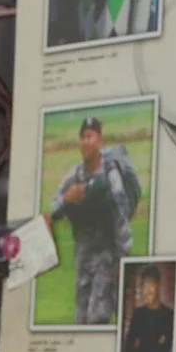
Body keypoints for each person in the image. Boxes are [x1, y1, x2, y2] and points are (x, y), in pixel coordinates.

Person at [49, 116, 143, 325]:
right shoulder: (74, 175)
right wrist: (68, 198)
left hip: (107, 254)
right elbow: (54, 208)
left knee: (97, 317)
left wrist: (122, 260)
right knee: (81, 318)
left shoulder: (110, 176)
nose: (85, 142)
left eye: (90, 137)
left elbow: (121, 216)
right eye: (82, 137)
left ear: (100, 141)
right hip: (83, 256)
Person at [121, 268, 176, 352]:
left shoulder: (169, 315)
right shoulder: (138, 314)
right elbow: (128, 350)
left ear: (158, 286)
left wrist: (141, 345)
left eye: (151, 285)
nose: (147, 291)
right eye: (144, 286)